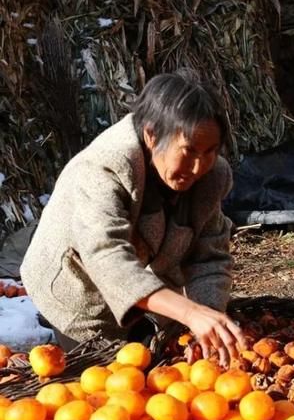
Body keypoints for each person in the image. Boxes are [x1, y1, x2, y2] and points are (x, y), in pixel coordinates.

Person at [21, 69, 245, 366]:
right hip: (74, 285)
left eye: (210, 152)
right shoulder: (105, 166)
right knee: (106, 378)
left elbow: (209, 257)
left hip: (139, 271)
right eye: (188, 151)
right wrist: (189, 313)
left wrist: (206, 318)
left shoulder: (212, 176)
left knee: (149, 358)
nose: (197, 167)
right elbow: (108, 258)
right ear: (151, 135)